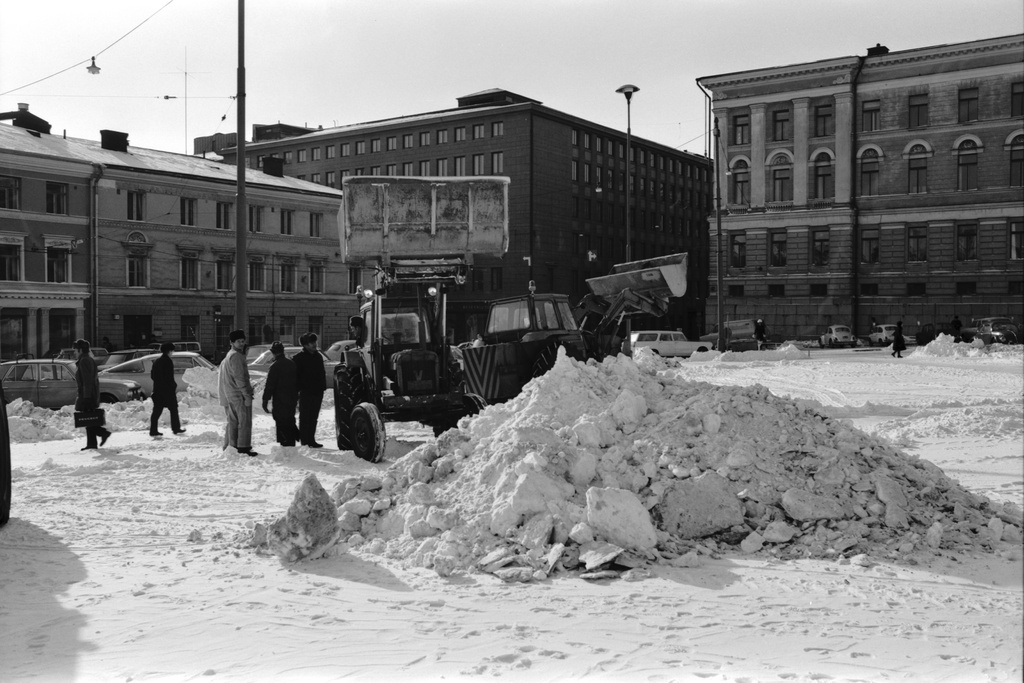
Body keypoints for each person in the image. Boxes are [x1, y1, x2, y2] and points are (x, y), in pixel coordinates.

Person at [218, 329, 258, 456]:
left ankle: (231, 446)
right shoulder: (236, 356)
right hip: (238, 394)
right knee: (244, 421)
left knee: (233, 422)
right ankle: (243, 447)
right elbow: (240, 378)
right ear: (232, 342)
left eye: (242, 341)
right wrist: (246, 394)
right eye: (238, 341)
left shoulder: (228, 355)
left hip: (230, 394)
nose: (241, 343)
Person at [72, 339, 112, 451]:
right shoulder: (88, 359)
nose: (74, 352)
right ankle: (92, 443)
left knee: (88, 419)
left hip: (87, 394)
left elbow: (87, 380)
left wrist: (86, 397)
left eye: (75, 350)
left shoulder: (84, 361)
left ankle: (103, 433)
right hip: (90, 393)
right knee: (89, 419)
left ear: (80, 350)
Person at [262, 342, 299, 447]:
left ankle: (286, 441)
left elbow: (270, 385)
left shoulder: (275, 366)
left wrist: (265, 400)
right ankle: (293, 439)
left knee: (280, 419)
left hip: (279, 399)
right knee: (290, 418)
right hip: (292, 398)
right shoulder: (291, 364)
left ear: (273, 353)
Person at [294, 332, 326, 448]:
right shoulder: (298, 358)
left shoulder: (318, 356)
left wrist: (323, 387)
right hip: (305, 392)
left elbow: (321, 373)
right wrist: (297, 391)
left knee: (314, 417)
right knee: (305, 417)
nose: (314, 345)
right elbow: (295, 378)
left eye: (315, 342)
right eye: (312, 343)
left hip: (317, 391)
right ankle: (305, 441)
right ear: (305, 345)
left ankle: (311, 439)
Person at [149, 342, 184, 437]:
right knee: (173, 409)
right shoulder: (167, 361)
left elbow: (153, 375)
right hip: (167, 391)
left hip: (158, 390)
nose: (173, 352)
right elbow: (169, 377)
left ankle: (153, 430)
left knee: (156, 411)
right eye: (172, 350)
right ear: (169, 351)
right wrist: (172, 386)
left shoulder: (157, 361)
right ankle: (176, 428)